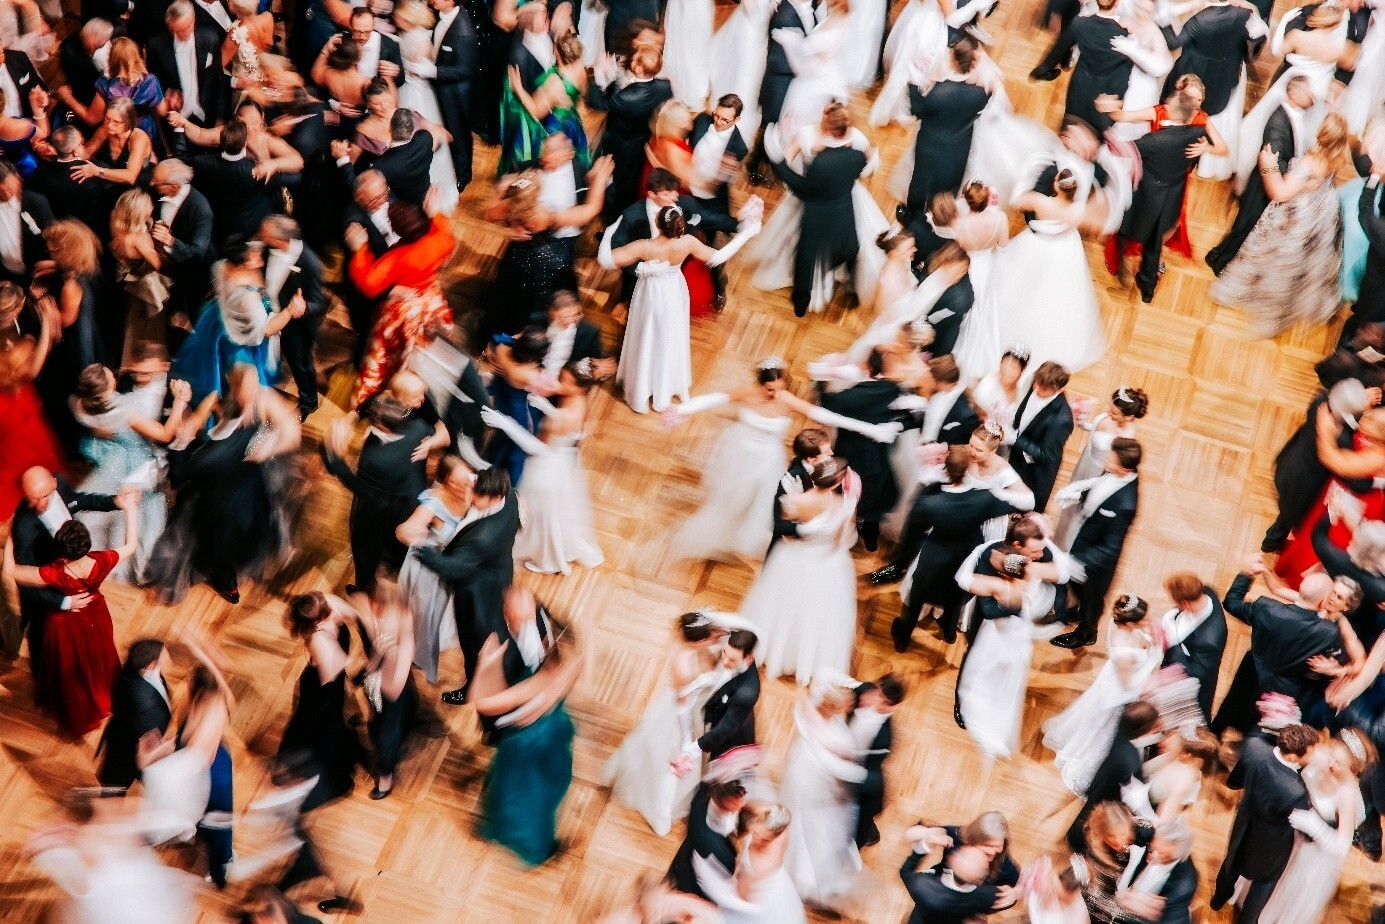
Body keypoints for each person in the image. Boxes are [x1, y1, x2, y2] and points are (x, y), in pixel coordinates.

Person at [664, 357, 900, 562]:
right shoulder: (749, 393)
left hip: (766, 459)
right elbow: (716, 397)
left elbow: (822, 414)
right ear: (760, 384)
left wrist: (868, 429)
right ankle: (720, 534)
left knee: (758, 501)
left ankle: (743, 536)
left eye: (778, 387)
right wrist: (683, 410)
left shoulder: (786, 399)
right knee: (732, 496)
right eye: (769, 389)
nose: (774, 394)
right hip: (739, 452)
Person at [147, 364, 301, 604]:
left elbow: (182, 472)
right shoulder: (234, 407)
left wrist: (269, 448)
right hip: (235, 491)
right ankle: (227, 577)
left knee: (228, 539)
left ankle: (227, 579)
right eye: (247, 388)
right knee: (230, 536)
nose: (252, 392)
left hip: (235, 496)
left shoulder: (260, 403)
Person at [598, 203, 761, 413]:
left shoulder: (644, 246)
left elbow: (606, 260)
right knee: (669, 337)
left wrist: (610, 231)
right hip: (674, 292)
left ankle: (642, 387)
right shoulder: (687, 243)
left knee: (648, 335)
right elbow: (719, 256)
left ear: (657, 223)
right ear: (680, 227)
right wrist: (746, 234)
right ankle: (665, 385)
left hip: (650, 295)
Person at [1211, 113, 1348, 337]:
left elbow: (1280, 192)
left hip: (1293, 219)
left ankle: (1264, 306)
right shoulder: (1338, 157)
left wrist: (1268, 166)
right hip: (1313, 216)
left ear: (1322, 134)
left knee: (1272, 259)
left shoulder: (1310, 162)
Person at [5, 510, 135, 737]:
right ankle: (102, 699)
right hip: (95, 614)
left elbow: (11, 571)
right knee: (97, 659)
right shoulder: (102, 560)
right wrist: (130, 509)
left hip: (65, 626)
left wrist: (9, 539)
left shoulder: (55, 573)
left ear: (63, 554)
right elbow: (131, 545)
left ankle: (79, 713)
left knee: (70, 671)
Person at [756, 103, 884, 318]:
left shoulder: (820, 160)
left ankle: (801, 301)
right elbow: (870, 162)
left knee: (806, 255)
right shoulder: (856, 153)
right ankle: (852, 288)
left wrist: (777, 160)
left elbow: (802, 188)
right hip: (844, 205)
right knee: (850, 247)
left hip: (815, 210)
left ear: (828, 126)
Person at [471, 625, 585, 866]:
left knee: (517, 801)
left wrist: (485, 664)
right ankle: (540, 844)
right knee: (540, 802)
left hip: (526, 751)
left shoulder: (540, 682)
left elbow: (485, 704)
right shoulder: (570, 670)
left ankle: (529, 844)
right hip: (553, 743)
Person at [605, 612, 725, 835]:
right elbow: (681, 708)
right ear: (698, 639)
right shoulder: (683, 666)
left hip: (697, 709)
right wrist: (687, 739)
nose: (715, 638)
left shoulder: (704, 648)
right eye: (710, 636)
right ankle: (660, 805)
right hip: (679, 718)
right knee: (668, 759)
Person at [410, 467, 521, 705]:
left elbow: (451, 568)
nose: (470, 498)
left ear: (494, 498)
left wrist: (423, 549)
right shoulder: (507, 492)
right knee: (495, 632)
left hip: (477, 591)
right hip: (496, 570)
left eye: (477, 497)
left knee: (475, 643)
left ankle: (476, 687)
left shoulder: (483, 537)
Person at [70, 362, 189, 582]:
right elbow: (163, 434)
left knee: (109, 504)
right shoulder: (122, 409)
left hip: (111, 455)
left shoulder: (79, 403)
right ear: (105, 392)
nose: (114, 375)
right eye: (109, 376)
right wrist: (180, 403)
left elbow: (100, 429)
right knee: (142, 512)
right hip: (134, 458)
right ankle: (139, 565)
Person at [479, 368, 604, 575]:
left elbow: (535, 447)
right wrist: (547, 407)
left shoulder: (562, 417)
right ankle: (557, 550)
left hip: (545, 468)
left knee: (537, 515)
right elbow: (573, 431)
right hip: (563, 462)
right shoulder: (581, 401)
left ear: (578, 387)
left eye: (565, 381)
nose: (558, 382)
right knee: (557, 513)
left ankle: (547, 559)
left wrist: (507, 424)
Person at [140, 628, 237, 887]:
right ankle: (199, 837)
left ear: (198, 689)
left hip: (211, 775)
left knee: (216, 824)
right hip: (196, 768)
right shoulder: (205, 698)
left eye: (190, 682)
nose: (186, 683)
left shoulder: (216, 709)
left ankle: (220, 869)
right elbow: (221, 668)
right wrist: (199, 644)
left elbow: (194, 756)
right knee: (203, 821)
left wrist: (155, 755)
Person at [988, 167, 1105, 372]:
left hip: (1037, 247)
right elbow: (1097, 225)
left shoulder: (1041, 201)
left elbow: (1017, 201)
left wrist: (1026, 177)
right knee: (1057, 295)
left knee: (1020, 286)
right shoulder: (1078, 210)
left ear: (1056, 187)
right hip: (1065, 250)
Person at [1044, 594, 1162, 795]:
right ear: (1131, 623)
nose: (1149, 622)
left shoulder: (1124, 625)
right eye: (1145, 620)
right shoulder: (1123, 652)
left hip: (1116, 678)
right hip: (1119, 693)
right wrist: (1154, 663)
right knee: (1105, 730)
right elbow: (1127, 685)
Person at [345, 195, 456, 407]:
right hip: (430, 301)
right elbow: (445, 231)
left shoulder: (395, 259)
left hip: (403, 311)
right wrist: (435, 213)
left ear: (396, 230)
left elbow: (369, 284)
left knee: (384, 352)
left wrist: (360, 249)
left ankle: (376, 395)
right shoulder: (439, 240)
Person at [323, 395, 436, 594]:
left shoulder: (376, 459)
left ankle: (364, 589)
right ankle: (397, 575)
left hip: (381, 511)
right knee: (399, 551)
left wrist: (334, 457)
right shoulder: (419, 427)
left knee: (365, 551)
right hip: (413, 502)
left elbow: (363, 489)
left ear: (383, 426)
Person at [1207, 74, 1316, 275]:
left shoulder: (1292, 115)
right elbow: (1274, 160)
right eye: (1308, 93)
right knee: (1245, 228)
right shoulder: (1277, 123)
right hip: (1262, 186)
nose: (1312, 97)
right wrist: (1293, 179)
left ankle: (1217, 256)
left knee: (1245, 227)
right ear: (1293, 95)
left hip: (1266, 183)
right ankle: (1221, 265)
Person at [174, 237, 304, 405]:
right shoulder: (247, 297)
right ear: (243, 265)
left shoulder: (221, 267)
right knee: (243, 380)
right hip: (242, 337)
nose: (259, 257)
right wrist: (290, 310)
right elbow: (266, 329)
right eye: (254, 257)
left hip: (219, 323)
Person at [1211, 724, 1318, 924]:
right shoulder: (1295, 791)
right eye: (1309, 753)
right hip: (1272, 843)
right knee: (1264, 882)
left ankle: (1218, 899)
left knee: (1231, 862)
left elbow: (1236, 779)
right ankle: (1248, 920)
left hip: (1244, 823)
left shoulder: (1254, 747)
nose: (1311, 757)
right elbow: (1305, 827)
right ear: (1293, 757)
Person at [780, 679, 867, 911]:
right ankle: (813, 885)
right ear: (835, 709)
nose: (850, 706)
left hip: (800, 769)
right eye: (846, 704)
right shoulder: (834, 740)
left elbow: (810, 695)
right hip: (816, 788)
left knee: (800, 824)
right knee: (820, 836)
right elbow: (847, 773)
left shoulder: (808, 713)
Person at [1052, 438, 1142, 649]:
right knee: (1077, 589)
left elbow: (1111, 547)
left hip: (1095, 563)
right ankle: (1079, 610)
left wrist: (1076, 561)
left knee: (1092, 600)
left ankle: (1086, 633)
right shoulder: (1114, 472)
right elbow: (1100, 489)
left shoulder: (1126, 504)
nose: (1106, 459)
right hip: (1083, 537)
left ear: (1124, 468)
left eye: (1111, 458)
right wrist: (1080, 496)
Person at [280, 593, 360, 809]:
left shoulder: (321, 620)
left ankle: (324, 774)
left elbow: (332, 673)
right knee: (314, 722)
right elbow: (333, 670)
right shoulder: (318, 636)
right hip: (327, 683)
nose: (332, 609)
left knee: (318, 728)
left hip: (326, 690)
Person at [1054, 387, 1148, 549]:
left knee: (1077, 511)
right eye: (1110, 409)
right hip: (1085, 462)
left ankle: (1064, 547)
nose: (1109, 414)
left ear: (1129, 417)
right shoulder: (1109, 417)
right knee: (1068, 510)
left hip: (1097, 472)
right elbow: (1097, 429)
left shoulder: (1126, 439)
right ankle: (1058, 538)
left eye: (1115, 413)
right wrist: (1083, 423)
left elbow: (1115, 468)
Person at [1066, 700, 1159, 851]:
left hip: (1100, 783)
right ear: (1144, 728)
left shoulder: (1121, 731)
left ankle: (1075, 838)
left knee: (1087, 813)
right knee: (1092, 822)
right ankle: (1078, 844)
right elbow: (1133, 792)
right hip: (1109, 796)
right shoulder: (1131, 761)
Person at [692, 803, 807, 923]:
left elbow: (739, 897)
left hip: (754, 898)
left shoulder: (764, 865)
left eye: (764, 839)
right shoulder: (773, 822)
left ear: (772, 838)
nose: (756, 839)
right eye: (755, 833)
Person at [596, 46, 674, 219]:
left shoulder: (626, 98)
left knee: (618, 183)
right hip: (642, 140)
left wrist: (601, 78)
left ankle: (612, 218)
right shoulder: (665, 86)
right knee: (632, 180)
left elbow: (602, 103)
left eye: (636, 59)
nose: (632, 59)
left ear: (639, 68)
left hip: (621, 145)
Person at [98, 638, 175, 788]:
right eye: (165, 655)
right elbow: (145, 733)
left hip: (133, 746)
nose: (169, 659)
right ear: (151, 663)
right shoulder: (142, 698)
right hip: (128, 753)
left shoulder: (141, 674)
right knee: (116, 787)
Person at [1005, 360, 1074, 512]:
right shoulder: (1037, 383)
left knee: (1021, 509)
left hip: (1032, 471)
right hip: (1016, 456)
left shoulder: (1062, 419)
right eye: (1036, 383)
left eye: (1043, 388)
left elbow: (1047, 455)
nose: (1036, 389)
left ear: (1060, 389)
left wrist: (1015, 439)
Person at [1160, 572, 1228, 721]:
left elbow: (1197, 674)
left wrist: (1171, 644)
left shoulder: (1209, 641)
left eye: (1178, 604)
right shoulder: (1206, 591)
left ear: (1185, 603)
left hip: (1189, 687)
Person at [668, 775, 749, 899]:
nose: (743, 803)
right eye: (740, 801)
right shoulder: (720, 851)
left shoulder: (703, 791)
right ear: (729, 801)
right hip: (693, 886)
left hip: (684, 857)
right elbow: (722, 877)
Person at [899, 840, 1002, 924]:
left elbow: (906, 871)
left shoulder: (922, 886)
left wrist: (926, 843)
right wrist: (1014, 893)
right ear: (979, 880)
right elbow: (1006, 901)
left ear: (951, 860)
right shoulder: (988, 895)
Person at [698, 629, 761, 760]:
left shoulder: (746, 693)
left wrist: (695, 747)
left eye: (732, 660)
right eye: (724, 652)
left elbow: (724, 729)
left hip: (731, 733)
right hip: (726, 705)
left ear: (749, 658)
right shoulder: (737, 643)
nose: (725, 662)